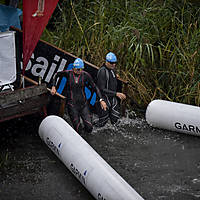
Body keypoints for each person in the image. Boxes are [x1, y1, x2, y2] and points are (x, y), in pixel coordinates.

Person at [51, 58, 107, 134]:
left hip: (84, 105)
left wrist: (101, 100)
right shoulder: (68, 73)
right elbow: (56, 74)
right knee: (78, 130)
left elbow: (95, 87)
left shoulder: (85, 75)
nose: (79, 71)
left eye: (81, 69)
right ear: (73, 68)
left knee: (89, 128)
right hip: (72, 105)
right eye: (77, 69)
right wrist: (54, 86)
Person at [96, 52, 126, 127]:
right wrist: (116, 94)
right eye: (111, 63)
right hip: (105, 99)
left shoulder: (112, 70)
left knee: (116, 121)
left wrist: (116, 77)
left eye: (115, 63)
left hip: (112, 99)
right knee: (102, 123)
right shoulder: (102, 71)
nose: (114, 65)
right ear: (106, 62)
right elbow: (102, 89)